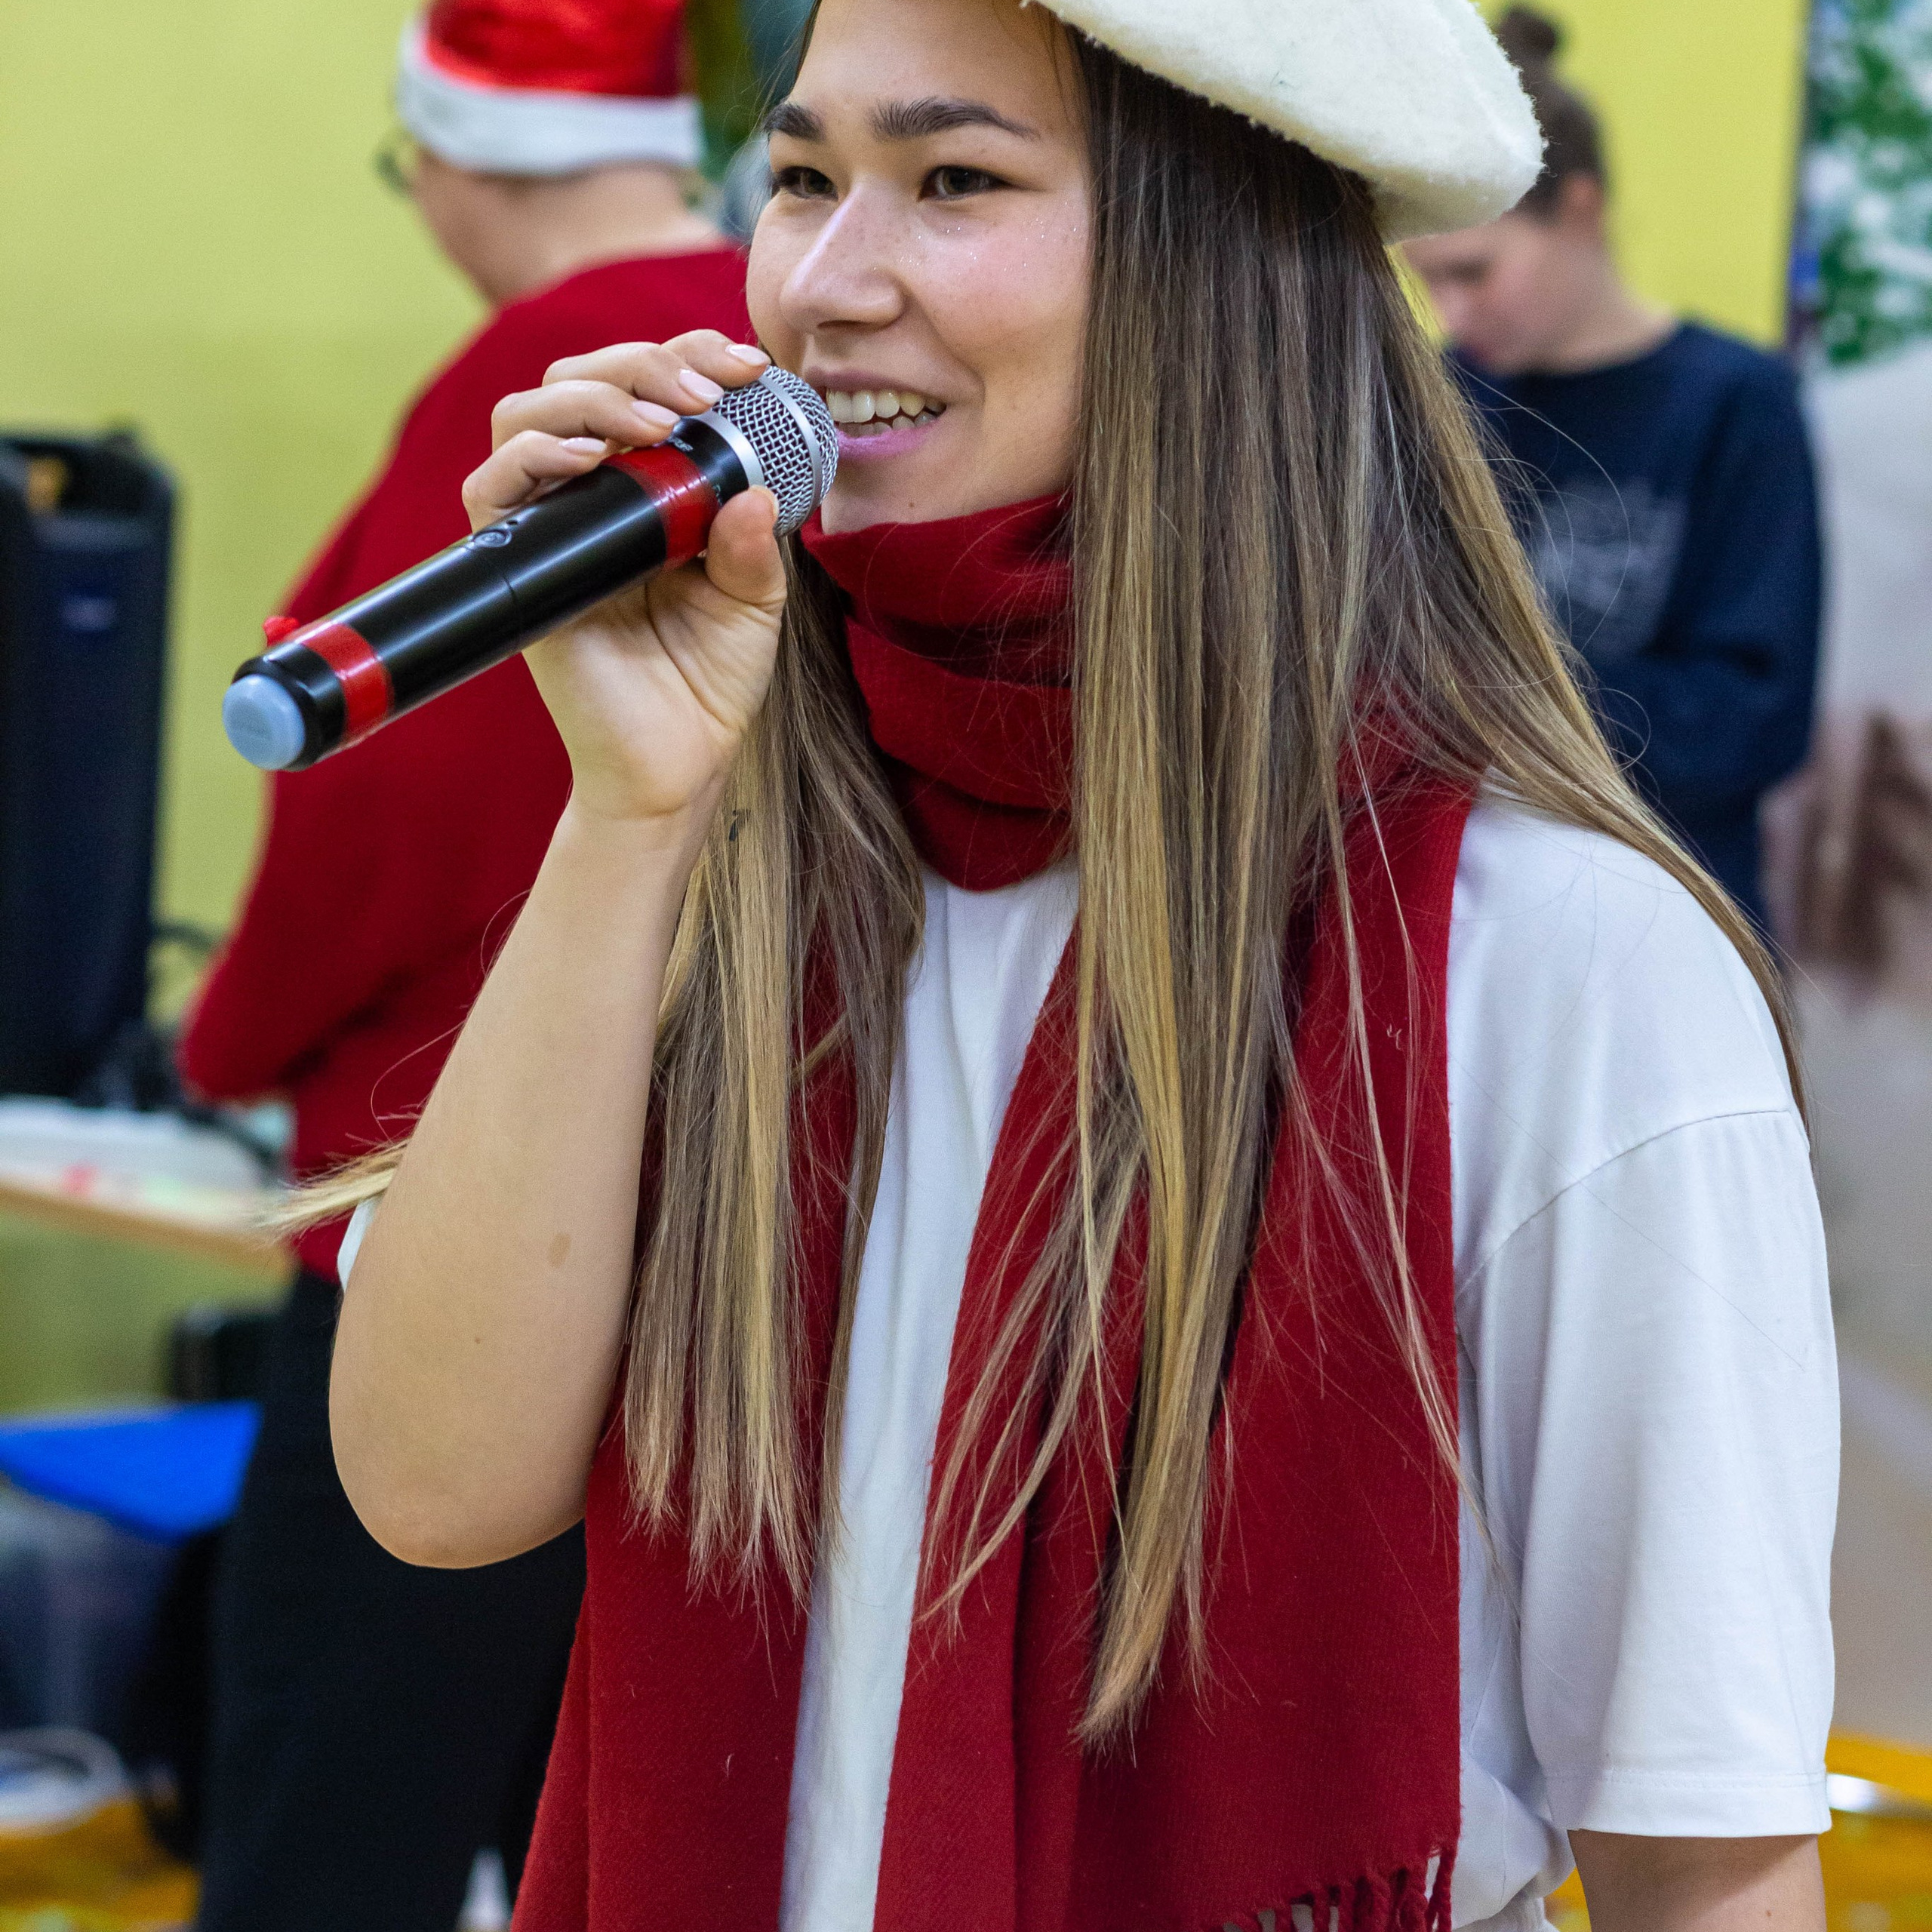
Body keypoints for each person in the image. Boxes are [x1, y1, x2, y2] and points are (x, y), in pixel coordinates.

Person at [320, 0, 1838, 1927]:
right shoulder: (727, 859)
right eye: (800, 177)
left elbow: (1698, 1849)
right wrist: (623, 818)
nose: (824, 281)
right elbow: (434, 1488)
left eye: (952, 180)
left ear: (1223, 264)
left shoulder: (1562, 967)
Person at [176, 3, 749, 1926]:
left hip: (453, 1191)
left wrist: (226, 1039)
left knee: (336, 1807)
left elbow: (372, 795)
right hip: (721, 1238)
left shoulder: (549, 382)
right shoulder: (779, 355)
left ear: (463, 149)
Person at [1403, 7, 1823, 928]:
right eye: (1428, 280)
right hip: (1465, 922)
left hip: (1676, 918)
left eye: (1474, 271)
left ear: (1579, 210)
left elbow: (1754, 717)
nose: (1452, 312)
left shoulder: (1733, 402)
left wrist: (1479, 701)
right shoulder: (1439, 399)